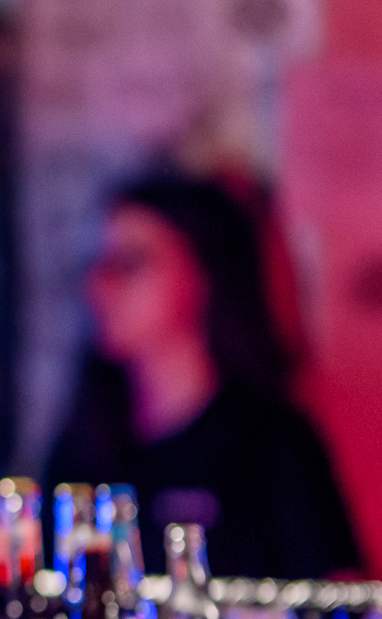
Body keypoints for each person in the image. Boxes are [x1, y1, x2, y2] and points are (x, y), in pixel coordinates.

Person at [46, 175, 361, 579]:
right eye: (97, 265)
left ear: (204, 275)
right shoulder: (86, 442)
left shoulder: (272, 444)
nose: (101, 286)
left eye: (129, 263)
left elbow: (341, 596)